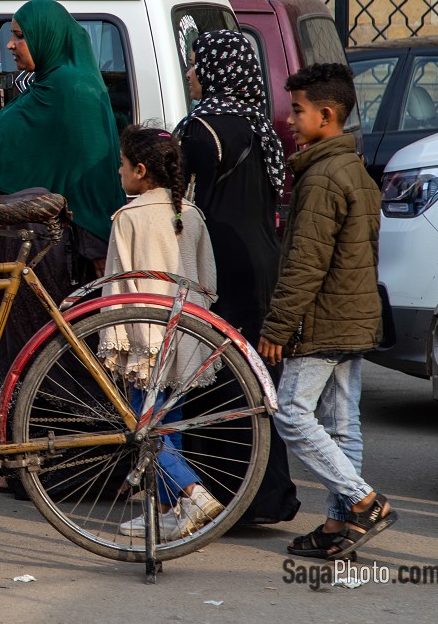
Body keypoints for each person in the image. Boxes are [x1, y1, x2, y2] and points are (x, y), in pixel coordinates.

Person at [0, 0, 124, 496]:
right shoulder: (51, 87)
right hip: (38, 250)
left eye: (19, 35)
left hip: (58, 253)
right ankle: (30, 465)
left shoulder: (71, 91)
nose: (10, 43)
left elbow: (88, 180)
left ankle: (75, 471)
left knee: (58, 358)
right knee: (28, 354)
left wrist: (5, 118)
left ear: (44, 37)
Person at [258, 63, 396, 559]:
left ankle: (362, 501)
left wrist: (277, 325)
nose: (290, 119)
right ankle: (341, 527)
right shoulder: (353, 169)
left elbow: (304, 264)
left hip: (325, 319)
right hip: (352, 316)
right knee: (341, 425)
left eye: (297, 111)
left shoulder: (321, 177)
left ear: (327, 114)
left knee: (292, 414)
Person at [176, 30, 299, 525]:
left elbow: (180, 200)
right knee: (258, 381)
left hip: (220, 264)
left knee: (217, 378)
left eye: (194, 63)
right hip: (263, 262)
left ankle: (227, 499)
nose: (189, 74)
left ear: (214, 68)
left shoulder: (200, 128)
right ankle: (269, 497)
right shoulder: (259, 126)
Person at [101, 125, 221, 541]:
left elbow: (116, 290)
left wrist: (115, 346)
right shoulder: (192, 214)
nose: (118, 172)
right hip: (188, 338)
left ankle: (192, 494)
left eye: (120, 164)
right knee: (171, 424)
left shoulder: (128, 218)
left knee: (144, 426)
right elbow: (208, 282)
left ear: (138, 169)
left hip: (145, 341)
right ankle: (169, 510)